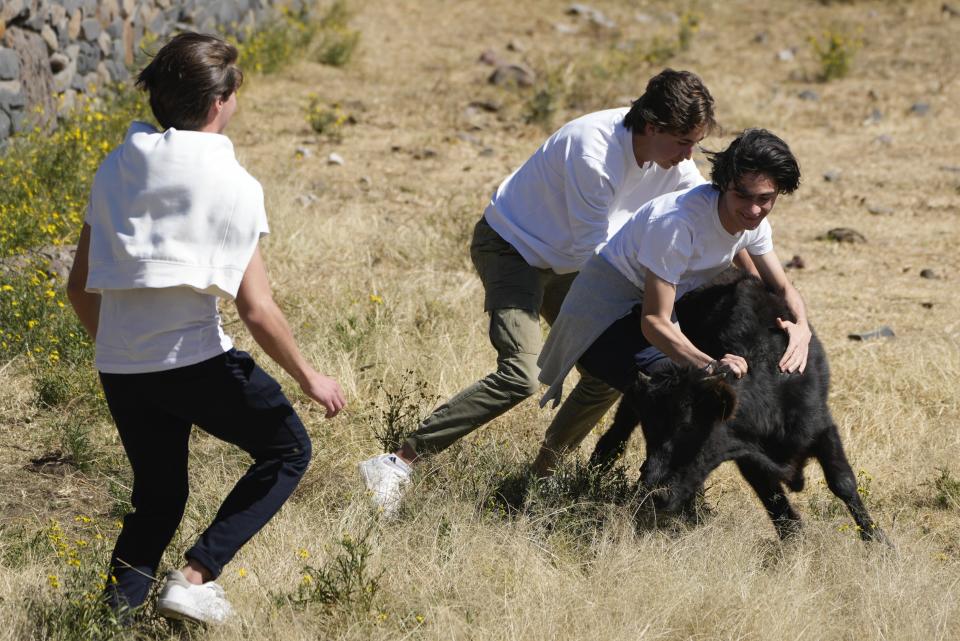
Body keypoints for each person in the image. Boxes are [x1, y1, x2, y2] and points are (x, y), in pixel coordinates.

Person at [358, 69, 753, 515]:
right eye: (683, 143)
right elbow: (596, 254)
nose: (689, 155)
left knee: (609, 365)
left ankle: (537, 481)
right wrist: (664, 304)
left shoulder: (673, 158)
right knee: (520, 376)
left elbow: (701, 209)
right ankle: (397, 460)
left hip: (577, 261)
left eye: (694, 144)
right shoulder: (592, 150)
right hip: (516, 249)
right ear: (651, 126)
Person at [66, 32, 345, 625]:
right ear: (219, 102)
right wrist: (310, 377)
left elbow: (77, 285)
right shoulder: (234, 186)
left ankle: (109, 622)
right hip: (193, 361)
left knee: (159, 497)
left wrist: (123, 350)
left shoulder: (115, 167)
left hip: (120, 365)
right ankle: (194, 578)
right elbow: (257, 310)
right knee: (288, 449)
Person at [536, 129, 810, 464]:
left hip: (649, 313)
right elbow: (654, 321)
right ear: (724, 183)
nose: (754, 209)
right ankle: (657, 492)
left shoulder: (750, 224)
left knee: (606, 390)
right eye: (744, 196)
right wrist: (709, 365)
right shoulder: (679, 225)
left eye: (765, 199)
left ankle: (545, 470)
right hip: (604, 318)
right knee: (680, 389)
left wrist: (802, 329)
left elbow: (780, 287)